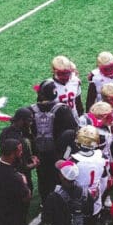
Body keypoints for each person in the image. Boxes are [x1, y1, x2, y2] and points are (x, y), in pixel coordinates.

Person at [29, 80, 80, 208]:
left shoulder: (30, 110)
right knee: (58, 178)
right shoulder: (63, 109)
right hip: (57, 153)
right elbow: (73, 132)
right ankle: (59, 203)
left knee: (42, 178)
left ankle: (45, 202)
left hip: (39, 152)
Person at [0, 107, 40, 225]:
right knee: (21, 210)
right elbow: (21, 166)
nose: (30, 123)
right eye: (28, 120)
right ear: (22, 121)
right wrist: (33, 164)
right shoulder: (18, 140)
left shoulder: (5, 132)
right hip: (19, 178)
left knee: (12, 210)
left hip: (6, 176)